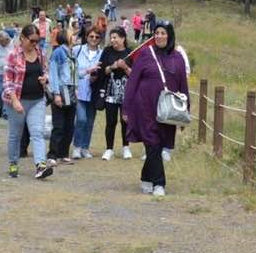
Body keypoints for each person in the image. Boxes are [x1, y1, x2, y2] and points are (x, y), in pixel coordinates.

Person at [123, 20, 189, 197]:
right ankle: (159, 183)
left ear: (170, 35)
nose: (159, 36)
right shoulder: (145, 54)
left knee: (158, 146)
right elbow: (132, 82)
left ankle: (146, 176)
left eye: (163, 33)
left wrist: (186, 111)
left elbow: (183, 85)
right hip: (145, 108)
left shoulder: (178, 58)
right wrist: (126, 108)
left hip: (168, 111)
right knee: (152, 143)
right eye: (157, 33)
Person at [2, 24, 54, 180]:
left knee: (37, 133)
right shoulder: (13, 55)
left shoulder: (40, 53)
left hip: (37, 99)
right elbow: (7, 81)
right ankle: (13, 163)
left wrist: (46, 78)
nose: (34, 44)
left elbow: (45, 70)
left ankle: (40, 166)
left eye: (37, 41)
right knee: (15, 135)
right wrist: (14, 100)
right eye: (32, 41)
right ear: (22, 38)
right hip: (17, 100)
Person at [99, 27, 133, 161]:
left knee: (125, 121)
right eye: (111, 38)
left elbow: (135, 74)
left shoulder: (130, 53)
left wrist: (125, 67)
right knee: (111, 121)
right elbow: (103, 70)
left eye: (115, 37)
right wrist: (112, 67)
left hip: (127, 93)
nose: (112, 40)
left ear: (123, 38)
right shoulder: (107, 51)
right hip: (111, 91)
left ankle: (126, 147)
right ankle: (109, 149)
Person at [72, 26, 104, 159]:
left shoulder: (102, 54)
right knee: (81, 119)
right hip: (79, 90)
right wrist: (87, 71)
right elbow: (71, 71)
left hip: (93, 92)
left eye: (97, 37)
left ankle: (85, 147)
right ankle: (77, 146)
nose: (94, 39)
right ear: (86, 37)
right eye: (91, 36)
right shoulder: (77, 50)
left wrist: (96, 77)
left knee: (90, 121)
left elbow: (103, 72)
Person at [48, 28, 78, 165]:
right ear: (66, 37)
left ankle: (64, 153)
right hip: (61, 90)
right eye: (72, 34)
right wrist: (56, 94)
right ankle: (52, 154)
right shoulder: (58, 52)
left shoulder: (72, 53)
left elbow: (74, 73)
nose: (75, 36)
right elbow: (53, 74)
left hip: (72, 90)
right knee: (59, 125)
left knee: (69, 125)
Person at [0, 30, 12, 119]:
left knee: (6, 92)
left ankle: (5, 111)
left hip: (9, 74)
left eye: (2, 41)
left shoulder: (12, 45)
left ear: (7, 39)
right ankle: (2, 107)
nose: (1, 43)